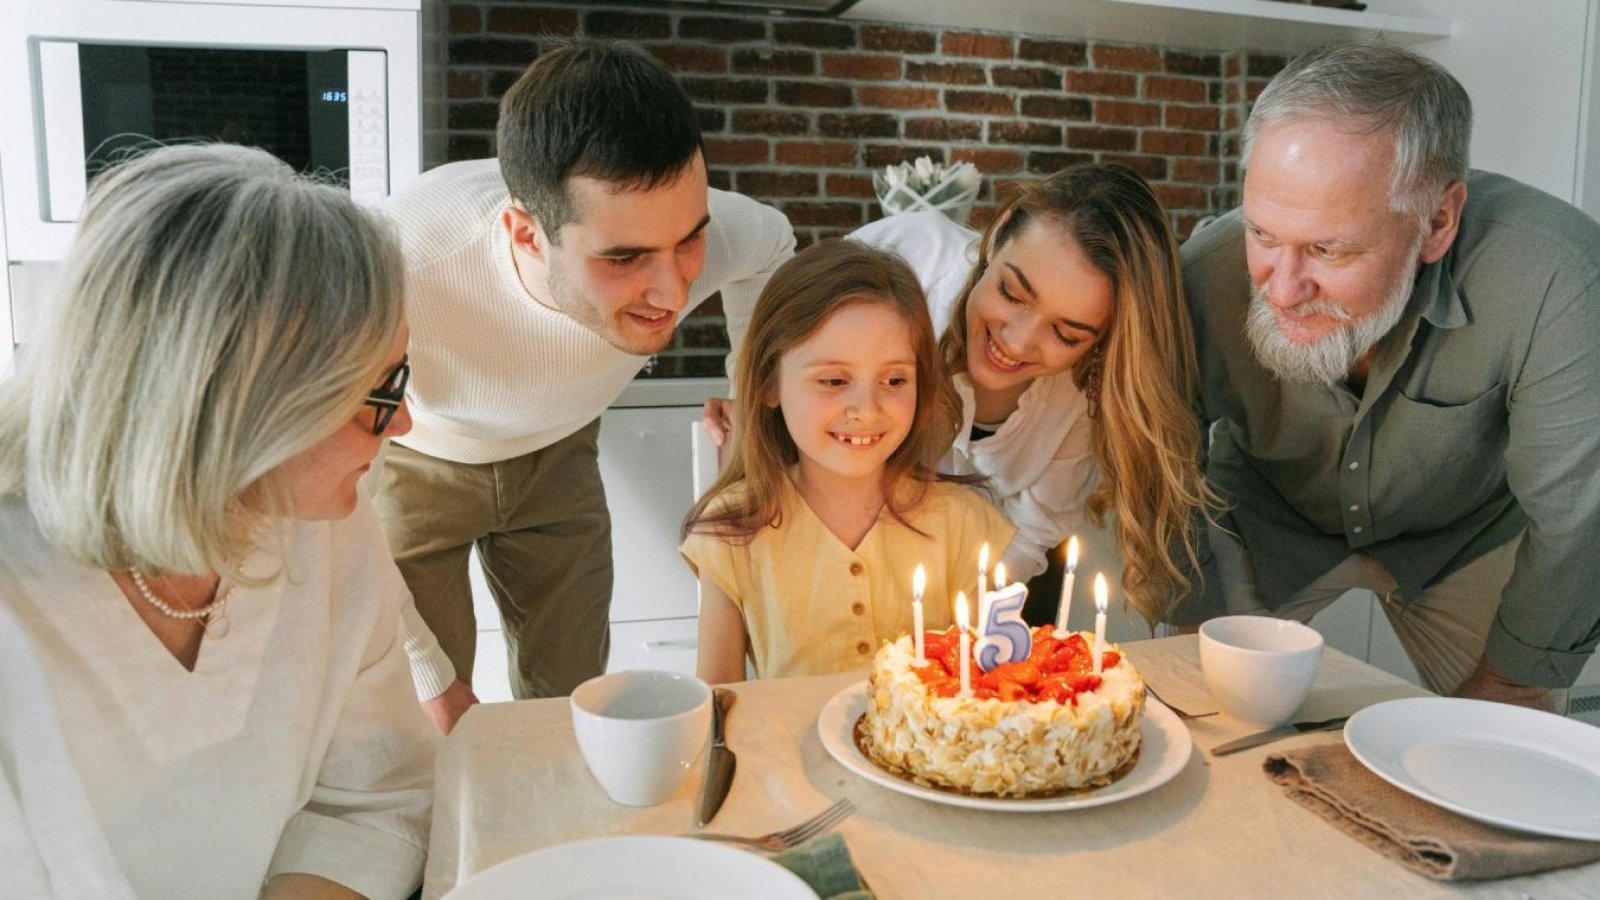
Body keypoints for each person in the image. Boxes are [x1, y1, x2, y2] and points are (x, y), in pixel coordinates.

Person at [0, 144, 437, 898]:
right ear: (244, 404)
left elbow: (373, 800)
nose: (404, 425)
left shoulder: (325, 522)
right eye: (382, 391)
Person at [376, 40, 794, 726]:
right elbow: (335, 513)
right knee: (419, 725)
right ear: (526, 234)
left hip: (562, 454)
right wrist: (428, 678)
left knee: (572, 703)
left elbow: (772, 243)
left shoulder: (691, 227)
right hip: (419, 461)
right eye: (624, 257)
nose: (671, 291)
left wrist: (750, 388)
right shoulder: (401, 260)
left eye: (689, 240)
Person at [1176, 41, 1600, 712]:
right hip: (1268, 514)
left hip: (1466, 535)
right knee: (1200, 714)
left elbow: (1579, 512)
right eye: (1262, 235)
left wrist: (1513, 681)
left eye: (1327, 249)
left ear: (1436, 222)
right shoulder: (1204, 272)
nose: (1283, 289)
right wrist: (1191, 628)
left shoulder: (1559, 277)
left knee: (1504, 760)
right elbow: (1157, 459)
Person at [714, 164, 1212, 629]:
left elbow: (1030, 535)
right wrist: (745, 388)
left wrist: (951, 625)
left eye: (1066, 334)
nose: (1016, 342)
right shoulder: (909, 253)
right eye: (1012, 293)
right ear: (998, 235)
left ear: (1104, 340)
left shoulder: (1082, 400)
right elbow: (792, 339)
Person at [681, 240, 1015, 683]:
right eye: (834, 380)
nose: (867, 408)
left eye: (894, 379)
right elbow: (717, 714)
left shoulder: (965, 525)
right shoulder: (729, 533)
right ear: (767, 384)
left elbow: (994, 697)